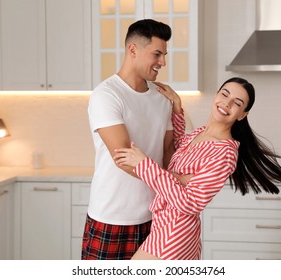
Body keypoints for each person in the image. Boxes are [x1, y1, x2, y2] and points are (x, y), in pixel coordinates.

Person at [113, 77, 281, 260]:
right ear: (216, 95)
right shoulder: (200, 133)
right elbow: (178, 149)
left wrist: (143, 164)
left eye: (237, 103)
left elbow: (189, 203)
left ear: (242, 115)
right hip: (165, 226)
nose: (227, 103)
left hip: (175, 235)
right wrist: (177, 106)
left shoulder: (225, 153)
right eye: (225, 94)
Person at [82, 19, 174, 260]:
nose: (163, 62)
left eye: (164, 55)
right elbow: (123, 157)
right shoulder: (107, 95)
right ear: (133, 49)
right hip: (112, 215)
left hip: (155, 214)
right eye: (157, 54)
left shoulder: (163, 97)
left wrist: (179, 106)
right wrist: (177, 181)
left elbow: (169, 152)